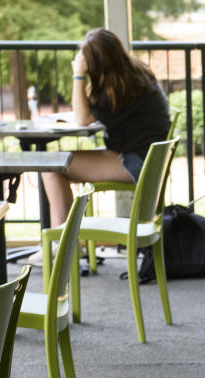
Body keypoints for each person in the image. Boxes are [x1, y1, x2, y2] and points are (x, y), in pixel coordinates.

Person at [42, 28, 171, 230]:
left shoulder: (122, 88)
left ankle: (60, 248)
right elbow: (89, 110)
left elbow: (83, 118)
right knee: (54, 164)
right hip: (145, 159)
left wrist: (78, 75)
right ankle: (64, 245)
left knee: (51, 168)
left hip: (135, 161)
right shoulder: (132, 77)